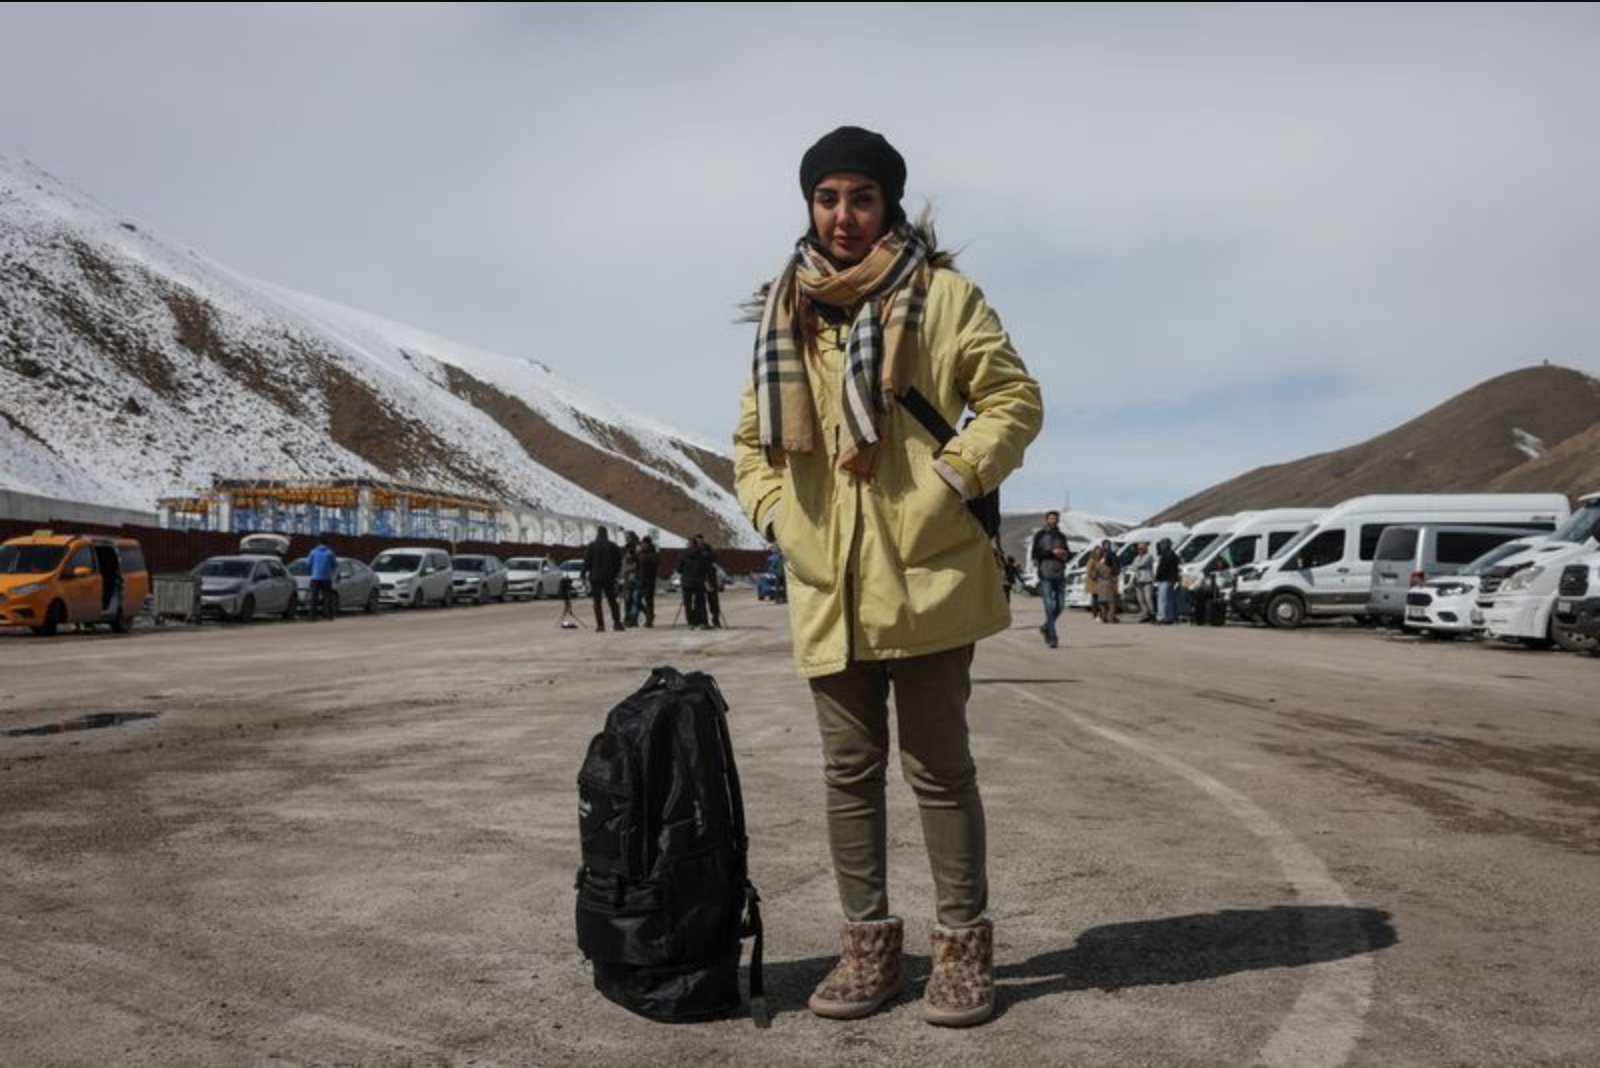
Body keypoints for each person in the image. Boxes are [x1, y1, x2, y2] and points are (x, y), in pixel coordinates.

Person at [733, 125, 1042, 1028]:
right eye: (827, 198)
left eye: (861, 198)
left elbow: (1014, 400)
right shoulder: (786, 311)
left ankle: (963, 948)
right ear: (810, 206)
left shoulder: (944, 298)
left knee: (939, 769)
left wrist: (953, 479)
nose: (843, 216)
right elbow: (751, 443)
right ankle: (868, 949)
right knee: (848, 772)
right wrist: (777, 518)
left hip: (927, 572)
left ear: (889, 206)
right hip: (827, 579)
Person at [1029, 511, 1070, 647]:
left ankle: (1045, 627)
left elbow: (1068, 553)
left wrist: (1065, 554)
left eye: (1055, 519)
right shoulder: (1040, 535)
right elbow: (1035, 553)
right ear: (1046, 520)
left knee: (1060, 606)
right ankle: (1052, 638)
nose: (1053, 520)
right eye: (1051, 518)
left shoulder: (1061, 536)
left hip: (1059, 574)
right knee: (1049, 606)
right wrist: (1052, 553)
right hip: (1045, 574)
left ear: (1058, 520)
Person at [580, 527, 624, 632]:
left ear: (597, 534)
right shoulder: (613, 546)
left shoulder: (591, 546)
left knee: (597, 602)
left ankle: (600, 625)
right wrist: (615, 574)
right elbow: (618, 562)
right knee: (612, 600)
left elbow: (587, 562)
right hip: (609, 577)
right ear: (606, 534)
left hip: (595, 578)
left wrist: (583, 573)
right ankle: (617, 623)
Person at [678, 534, 712, 628]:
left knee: (688, 603)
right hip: (698, 581)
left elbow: (679, 569)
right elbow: (706, 568)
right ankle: (703, 623)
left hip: (686, 581)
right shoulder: (702, 554)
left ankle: (690, 623)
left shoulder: (683, 554)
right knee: (701, 603)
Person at [307, 536, 338, 621]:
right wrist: (330, 570)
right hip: (327, 578)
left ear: (318, 543)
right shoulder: (330, 552)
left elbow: (308, 563)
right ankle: (329, 615)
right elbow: (334, 564)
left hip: (315, 577)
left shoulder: (313, 552)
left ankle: (312, 616)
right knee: (327, 597)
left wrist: (312, 571)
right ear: (326, 543)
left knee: (314, 597)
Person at [1155, 537, 1181, 624]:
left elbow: (1163, 568)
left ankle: (1162, 617)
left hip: (1165, 579)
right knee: (1169, 599)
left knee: (1163, 599)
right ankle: (1169, 617)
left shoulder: (1167, 555)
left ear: (1166, 545)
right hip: (1170, 579)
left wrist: (1158, 577)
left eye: (1162, 544)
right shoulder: (1172, 554)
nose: (1160, 546)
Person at [635, 535, 659, 627]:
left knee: (649, 601)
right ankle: (649, 615)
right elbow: (636, 562)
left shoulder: (652, 554)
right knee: (636, 599)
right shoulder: (640, 553)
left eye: (644, 543)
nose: (642, 545)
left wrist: (641, 555)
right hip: (641, 579)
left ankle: (649, 620)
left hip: (649, 580)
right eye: (642, 544)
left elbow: (654, 563)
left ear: (648, 544)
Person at [620, 531, 641, 627]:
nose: (626, 539)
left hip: (633, 575)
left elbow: (635, 561)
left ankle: (632, 619)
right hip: (627, 575)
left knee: (633, 598)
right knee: (628, 599)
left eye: (628, 537)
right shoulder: (627, 548)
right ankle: (628, 618)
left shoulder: (637, 548)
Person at [1131, 542, 1156, 623]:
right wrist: (1135, 566)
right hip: (1138, 580)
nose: (1139, 550)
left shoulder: (1149, 556)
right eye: (1138, 548)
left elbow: (1141, 564)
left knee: (1148, 598)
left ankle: (1152, 614)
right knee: (1140, 599)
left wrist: (1135, 566)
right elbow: (1132, 566)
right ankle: (1145, 615)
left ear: (1145, 548)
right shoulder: (1136, 557)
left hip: (1147, 580)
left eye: (1141, 548)